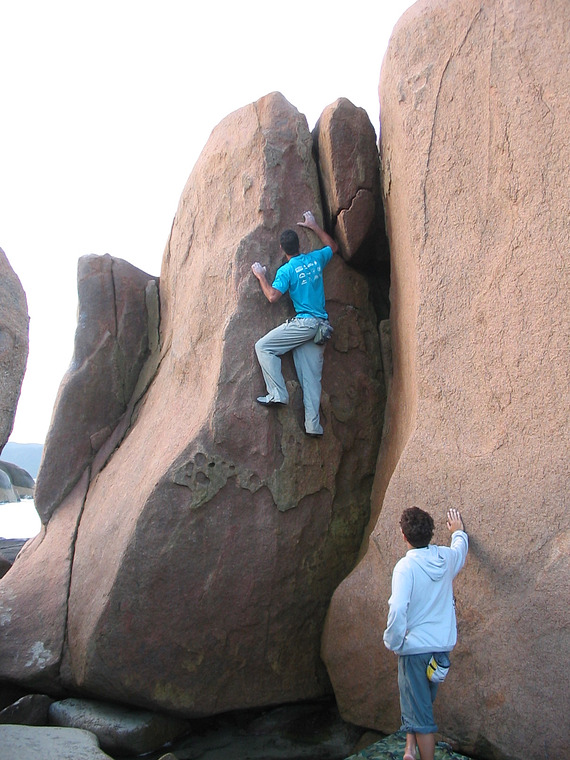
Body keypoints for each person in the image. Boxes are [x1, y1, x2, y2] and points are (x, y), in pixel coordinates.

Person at [383, 507, 468, 760]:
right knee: (420, 703)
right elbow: (459, 552)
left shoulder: (405, 567)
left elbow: (398, 608)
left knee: (422, 717)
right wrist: (459, 532)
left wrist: (394, 641)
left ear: (403, 535)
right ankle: (410, 749)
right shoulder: (444, 558)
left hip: (415, 653)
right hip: (439, 654)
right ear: (431, 532)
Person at [251, 210, 338, 436]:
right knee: (311, 380)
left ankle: (277, 393)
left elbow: (272, 296)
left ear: (282, 249)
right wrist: (314, 226)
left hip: (306, 324)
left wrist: (260, 275)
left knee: (263, 347)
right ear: (299, 244)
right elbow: (333, 247)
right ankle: (313, 426)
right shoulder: (315, 258)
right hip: (321, 328)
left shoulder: (287, 270)